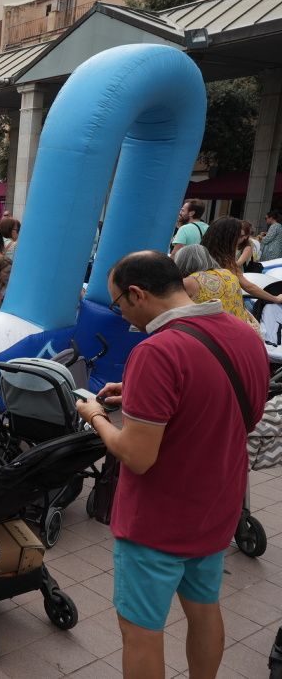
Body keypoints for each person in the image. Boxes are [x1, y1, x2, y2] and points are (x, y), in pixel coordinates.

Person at [75, 250, 268, 679]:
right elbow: (239, 412)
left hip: (158, 521)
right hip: (217, 506)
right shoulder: (244, 334)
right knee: (204, 611)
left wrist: (97, 419)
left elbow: (137, 456)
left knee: (142, 632)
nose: (121, 315)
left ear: (138, 293)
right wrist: (139, 395)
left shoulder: (157, 351)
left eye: (119, 303)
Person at [174, 244, 259, 332]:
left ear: (182, 262)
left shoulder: (190, 282)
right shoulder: (227, 273)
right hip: (241, 330)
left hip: (213, 335)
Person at [203, 217, 282, 306]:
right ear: (226, 237)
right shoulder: (226, 261)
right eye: (238, 236)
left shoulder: (200, 253)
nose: (241, 239)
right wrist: (275, 298)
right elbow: (249, 287)